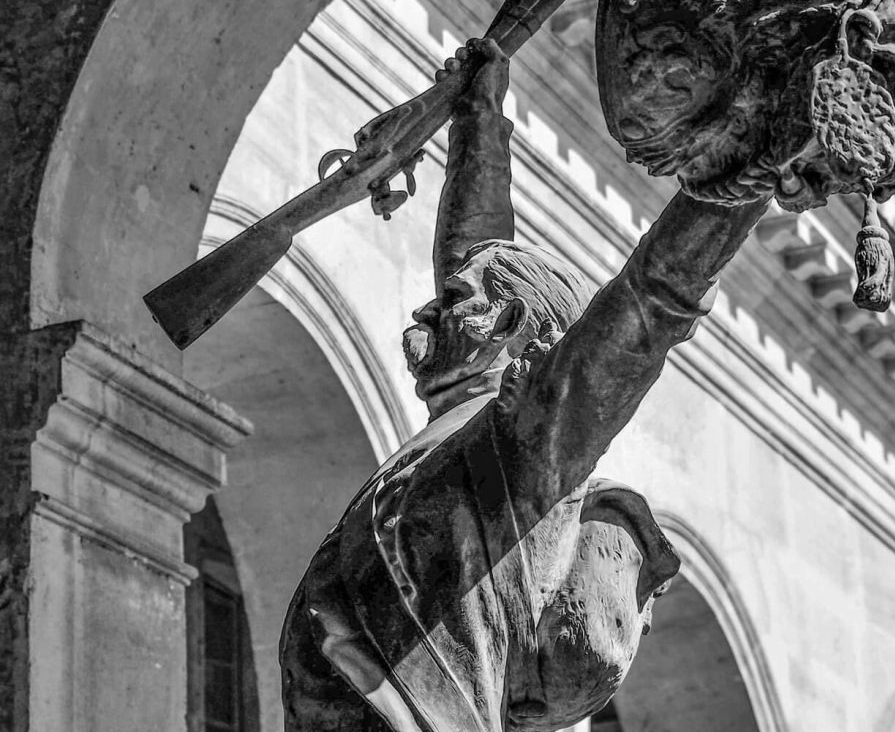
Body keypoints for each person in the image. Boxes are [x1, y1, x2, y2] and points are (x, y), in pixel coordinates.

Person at [280, 37, 769, 732]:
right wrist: (479, 117)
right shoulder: (455, 427)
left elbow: (651, 300)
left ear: (506, 324)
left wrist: (751, 159)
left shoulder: (525, 443)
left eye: (453, 303)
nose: (426, 310)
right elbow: (472, 246)